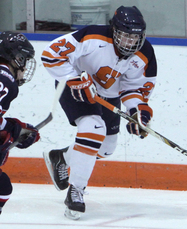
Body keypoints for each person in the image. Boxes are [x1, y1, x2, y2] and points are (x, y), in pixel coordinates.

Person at [42, 5, 157, 220]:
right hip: (75, 85)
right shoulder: (92, 36)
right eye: (125, 36)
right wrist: (75, 80)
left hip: (108, 95)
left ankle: (62, 157)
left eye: (135, 37)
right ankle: (76, 190)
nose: (130, 42)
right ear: (114, 31)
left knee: (106, 148)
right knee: (94, 127)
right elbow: (50, 54)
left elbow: (133, 88)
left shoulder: (145, 53)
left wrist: (136, 112)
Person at [0, 31, 40, 214]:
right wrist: (13, 129)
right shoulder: (6, 79)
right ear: (14, 58)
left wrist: (13, 128)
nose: (24, 69)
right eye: (23, 60)